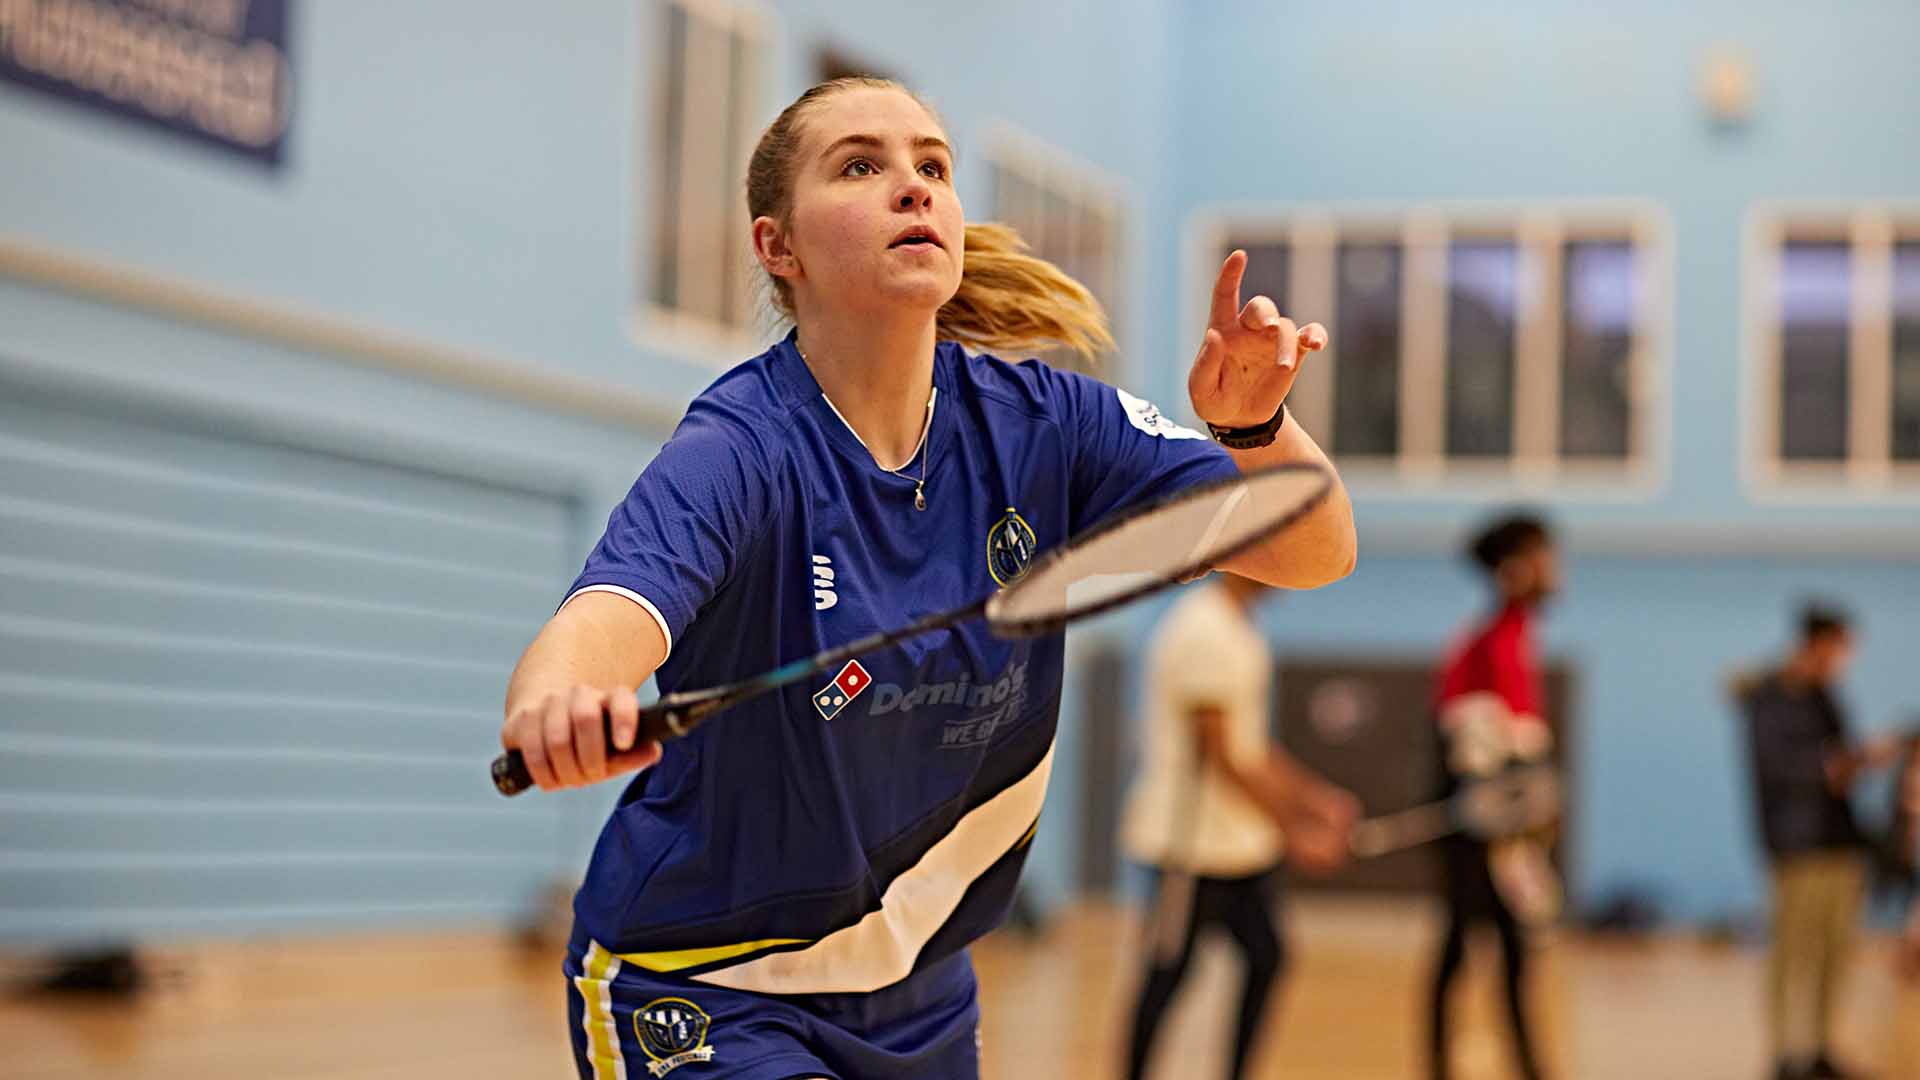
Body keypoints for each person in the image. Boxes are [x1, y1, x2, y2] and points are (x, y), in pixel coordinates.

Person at [499, 76, 1357, 1080]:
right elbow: (613, 608)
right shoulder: (743, 448)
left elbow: (1310, 551)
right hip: (705, 983)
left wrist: (1257, 430)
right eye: (862, 166)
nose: (913, 187)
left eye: (934, 167)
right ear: (779, 247)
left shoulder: (1050, 427)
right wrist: (558, 701)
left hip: (921, 993)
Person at [1117, 575, 1360, 1080]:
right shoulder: (1202, 630)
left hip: (1239, 845)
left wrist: (1314, 799)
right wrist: (1295, 831)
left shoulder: (1238, 627)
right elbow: (1220, 753)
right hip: (1191, 848)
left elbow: (1251, 747)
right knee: (1168, 973)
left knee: (1266, 956)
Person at [1733, 605, 1904, 1080]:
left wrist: (1860, 761)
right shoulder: (1769, 698)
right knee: (1793, 953)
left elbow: (1837, 762)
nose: (1845, 659)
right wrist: (1841, 764)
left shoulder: (1826, 695)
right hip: (1797, 846)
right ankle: (1787, 1055)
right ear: (1818, 643)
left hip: (1840, 840)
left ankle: (1819, 1049)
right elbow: (1783, 769)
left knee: (1835, 951)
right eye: (1841, 648)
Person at [1427, 513, 1560, 1080]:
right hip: (1476, 828)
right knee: (1461, 946)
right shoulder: (1485, 643)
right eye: (1541, 557)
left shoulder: (1518, 637)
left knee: (1513, 953)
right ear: (1513, 570)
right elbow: (1469, 746)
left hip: (1510, 826)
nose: (1553, 570)